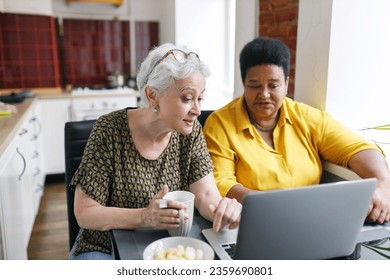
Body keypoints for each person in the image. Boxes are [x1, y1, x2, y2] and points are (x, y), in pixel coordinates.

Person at [69, 43, 242, 260]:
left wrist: (223, 210)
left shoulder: (190, 132)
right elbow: (85, 212)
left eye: (200, 98)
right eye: (187, 98)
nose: (197, 110)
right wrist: (144, 217)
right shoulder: (109, 130)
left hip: (166, 246)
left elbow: (206, 194)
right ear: (152, 96)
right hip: (104, 245)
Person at [203, 36, 390, 224]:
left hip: (311, 221)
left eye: (274, 85)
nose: (265, 94)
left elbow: (358, 148)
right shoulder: (219, 124)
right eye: (255, 85)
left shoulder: (306, 117)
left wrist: (383, 184)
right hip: (253, 221)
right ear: (244, 84)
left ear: (286, 84)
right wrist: (274, 205)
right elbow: (221, 184)